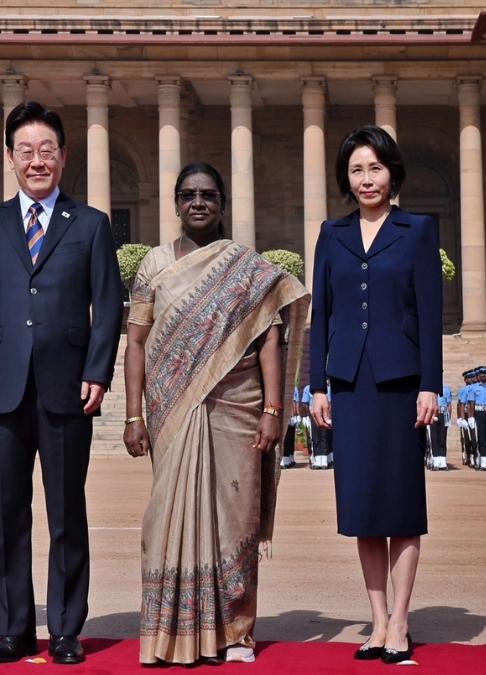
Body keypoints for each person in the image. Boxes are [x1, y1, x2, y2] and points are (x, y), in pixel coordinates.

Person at [0, 100, 124, 666]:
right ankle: (14, 630)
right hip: (2, 387)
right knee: (8, 515)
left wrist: (98, 371)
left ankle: (67, 630)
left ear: (64, 156)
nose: (37, 161)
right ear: (10, 158)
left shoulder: (92, 224)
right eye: (25, 151)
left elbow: (110, 306)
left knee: (67, 513)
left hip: (66, 387)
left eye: (46, 150)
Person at [123, 161, 306, 665]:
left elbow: (270, 340)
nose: (197, 202)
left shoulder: (246, 266)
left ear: (222, 203)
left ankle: (236, 632)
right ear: (176, 202)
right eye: (188, 194)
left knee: (234, 518)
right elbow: (135, 342)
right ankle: (171, 633)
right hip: (172, 412)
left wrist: (273, 408)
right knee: (165, 520)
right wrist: (133, 415)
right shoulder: (154, 265)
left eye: (207, 194)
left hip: (239, 407)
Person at [309, 125, 442, 664]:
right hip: (349, 384)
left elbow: (429, 313)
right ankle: (378, 619)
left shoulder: (417, 230)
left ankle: (403, 621)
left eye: (376, 168)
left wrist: (431, 383)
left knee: (401, 505)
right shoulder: (330, 234)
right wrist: (317, 384)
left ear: (393, 172)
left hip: (401, 381)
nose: (367, 179)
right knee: (363, 506)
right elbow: (323, 313)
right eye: (357, 169)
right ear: (347, 176)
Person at [428, 382, 453, 470]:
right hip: (433, 414)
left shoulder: (446, 389)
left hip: (443, 413)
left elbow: (449, 405)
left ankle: (442, 461)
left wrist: (448, 419)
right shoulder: (430, 389)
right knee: (434, 438)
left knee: (443, 438)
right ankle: (435, 461)